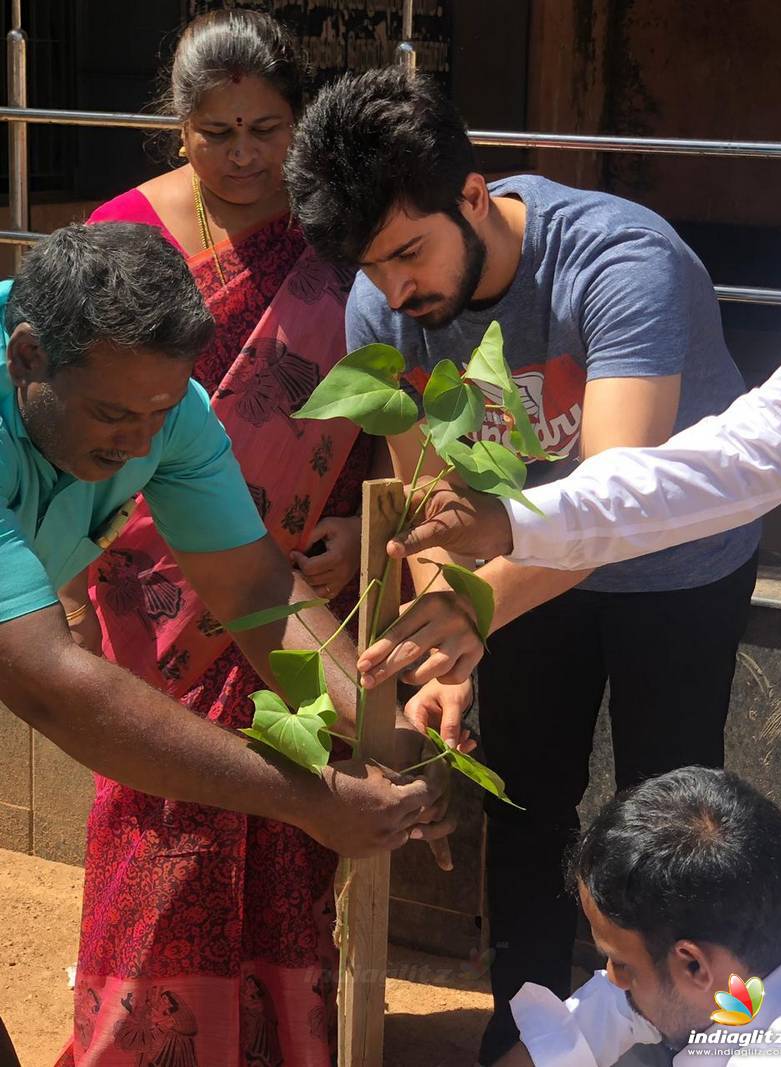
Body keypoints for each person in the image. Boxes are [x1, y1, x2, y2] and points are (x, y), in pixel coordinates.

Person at [285, 67, 762, 1062]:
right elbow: (432, 508)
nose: (396, 290)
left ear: (472, 194)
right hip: (513, 578)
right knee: (523, 797)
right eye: (371, 269)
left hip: (669, 559)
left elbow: (617, 503)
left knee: (673, 810)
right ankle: (525, 1028)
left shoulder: (619, 261)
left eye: (409, 253)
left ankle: (703, 1040)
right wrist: (441, 650)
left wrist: (467, 618)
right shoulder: (388, 307)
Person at [54, 14, 423, 1065]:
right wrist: (77, 589)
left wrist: (357, 530)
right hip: (147, 600)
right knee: (156, 821)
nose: (246, 154)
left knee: (290, 817)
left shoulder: (333, 236)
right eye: (216, 131)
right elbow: (87, 412)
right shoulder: (122, 231)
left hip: (292, 581)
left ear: (298, 122)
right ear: (177, 131)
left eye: (266, 126)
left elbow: (374, 405)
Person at [0, 223, 448, 1064]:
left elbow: (255, 589)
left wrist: (395, 743)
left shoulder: (162, 410)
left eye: (158, 414)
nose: (139, 443)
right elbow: (52, 684)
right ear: (27, 358)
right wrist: (312, 799)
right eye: (111, 414)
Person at [384, 339, 781, 577]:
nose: (398, 289)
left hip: (683, 574)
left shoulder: (618, 256)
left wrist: (509, 527)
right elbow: (770, 438)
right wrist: (511, 524)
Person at [495, 766, 781, 1066]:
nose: (613, 978)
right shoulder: (739, 959)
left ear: (694, 964)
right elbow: (599, 1017)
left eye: (622, 964)